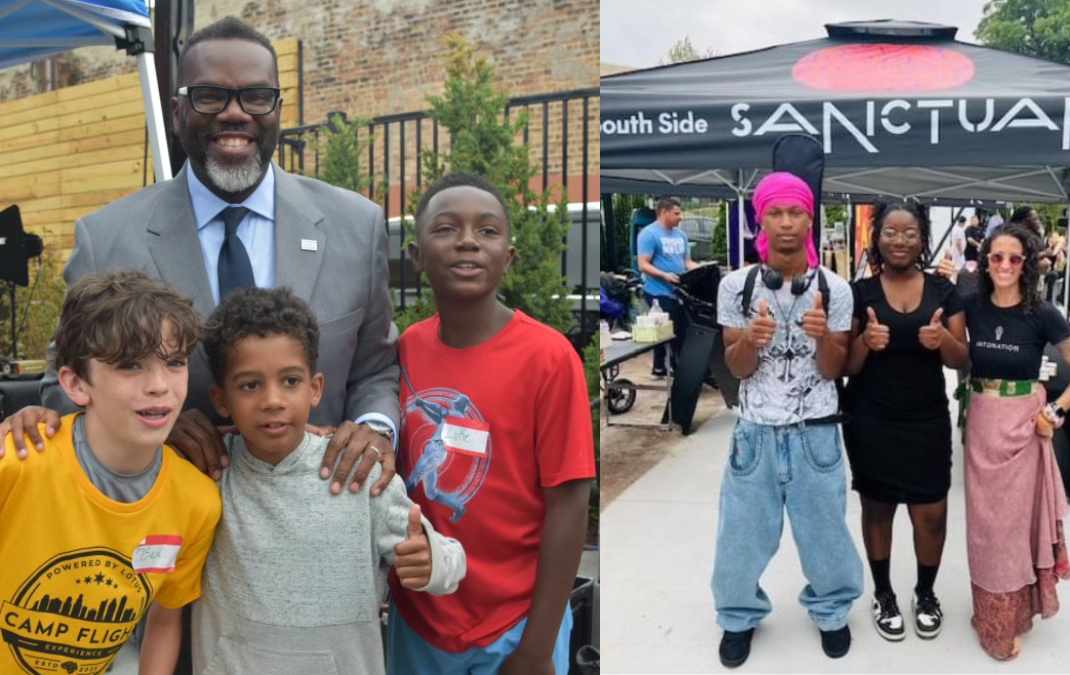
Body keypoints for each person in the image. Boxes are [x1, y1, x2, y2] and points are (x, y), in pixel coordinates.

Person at [1, 16, 398, 500]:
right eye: (210, 96)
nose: (235, 114)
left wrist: (375, 428)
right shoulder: (106, 238)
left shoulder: (355, 226)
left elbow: (376, 368)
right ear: (176, 112)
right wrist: (150, 428)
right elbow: (65, 383)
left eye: (256, 96)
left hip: (317, 519)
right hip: (161, 526)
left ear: (277, 109)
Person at [190, 287, 465, 675]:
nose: (272, 400)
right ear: (221, 400)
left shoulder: (359, 472)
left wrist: (431, 560)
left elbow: (452, 562)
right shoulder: (208, 475)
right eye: (250, 385)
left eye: (289, 381)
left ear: (315, 388)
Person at [388, 173, 595, 675]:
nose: (466, 241)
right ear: (416, 256)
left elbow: (569, 502)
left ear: (509, 256)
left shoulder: (548, 358)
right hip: (419, 618)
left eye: (487, 231)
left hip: (517, 624)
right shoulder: (404, 350)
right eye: (446, 228)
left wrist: (538, 647)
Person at [0, 271, 221, 674]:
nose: (159, 385)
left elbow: (165, 617)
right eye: (129, 365)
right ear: (76, 384)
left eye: (174, 363)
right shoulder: (17, 464)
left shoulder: (197, 502)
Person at [712, 171, 862, 667]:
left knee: (825, 535)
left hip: (815, 434)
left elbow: (833, 369)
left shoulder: (835, 290)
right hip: (754, 433)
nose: (785, 224)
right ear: (760, 221)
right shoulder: (736, 286)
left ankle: (832, 610)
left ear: (809, 219)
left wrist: (824, 336)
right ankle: (737, 617)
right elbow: (736, 371)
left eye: (795, 212)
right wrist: (749, 340)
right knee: (741, 535)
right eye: (774, 213)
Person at [962, 224, 1070, 660]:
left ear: (1027, 264)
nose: (1004, 265)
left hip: (1023, 429)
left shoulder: (1043, 313)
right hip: (981, 424)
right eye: (996, 257)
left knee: (1009, 530)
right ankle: (988, 612)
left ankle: (1006, 622)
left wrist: (1055, 412)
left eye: (1014, 258)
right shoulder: (972, 306)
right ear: (985, 262)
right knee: (983, 529)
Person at [843, 203, 968, 643]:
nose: (900, 240)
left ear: (922, 239)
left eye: (910, 233)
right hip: (871, 419)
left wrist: (943, 340)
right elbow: (847, 365)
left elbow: (962, 357)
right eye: (891, 232)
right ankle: (883, 594)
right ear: (877, 237)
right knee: (878, 510)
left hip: (927, 421)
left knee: (931, 513)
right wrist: (864, 340)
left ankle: (925, 593)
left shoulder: (943, 291)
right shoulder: (858, 293)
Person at [637, 196, 700, 377]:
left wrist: (703, 269)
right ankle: (664, 367)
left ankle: (670, 366)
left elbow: (686, 262)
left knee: (679, 330)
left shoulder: (681, 235)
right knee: (666, 330)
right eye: (676, 213)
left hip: (678, 291)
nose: (681, 217)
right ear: (664, 212)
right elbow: (643, 264)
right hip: (657, 291)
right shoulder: (649, 234)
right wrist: (664, 275)